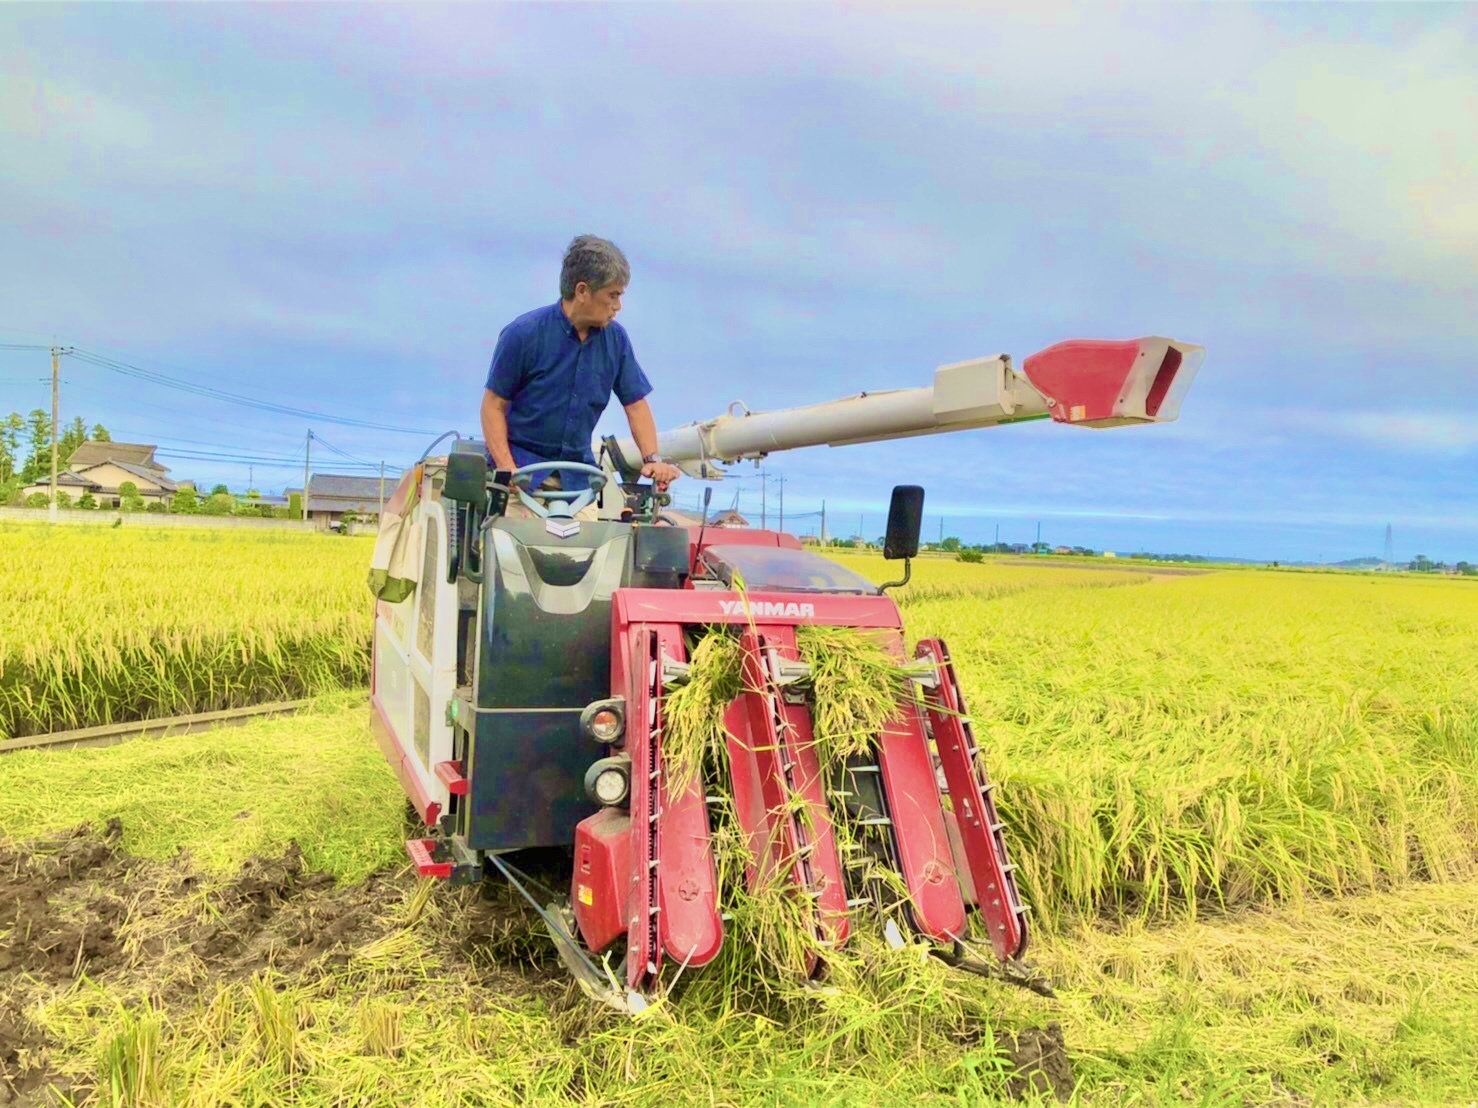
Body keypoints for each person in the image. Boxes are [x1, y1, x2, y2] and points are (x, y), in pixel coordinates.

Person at [480, 235, 682, 521]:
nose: (618, 306)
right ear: (583, 290)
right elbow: (493, 405)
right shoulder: (523, 334)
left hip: (578, 484)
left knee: (587, 559)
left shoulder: (617, 341)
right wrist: (507, 467)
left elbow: (635, 405)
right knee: (511, 558)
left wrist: (653, 459)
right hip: (521, 482)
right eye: (613, 295)